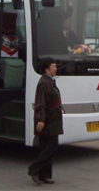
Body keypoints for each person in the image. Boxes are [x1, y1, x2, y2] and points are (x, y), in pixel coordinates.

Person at [28, 57, 64, 186]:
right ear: (46, 69)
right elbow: (40, 103)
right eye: (53, 66)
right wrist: (41, 120)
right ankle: (34, 169)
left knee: (46, 147)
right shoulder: (44, 83)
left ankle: (45, 175)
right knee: (51, 147)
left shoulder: (49, 81)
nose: (55, 68)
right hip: (48, 121)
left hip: (52, 119)